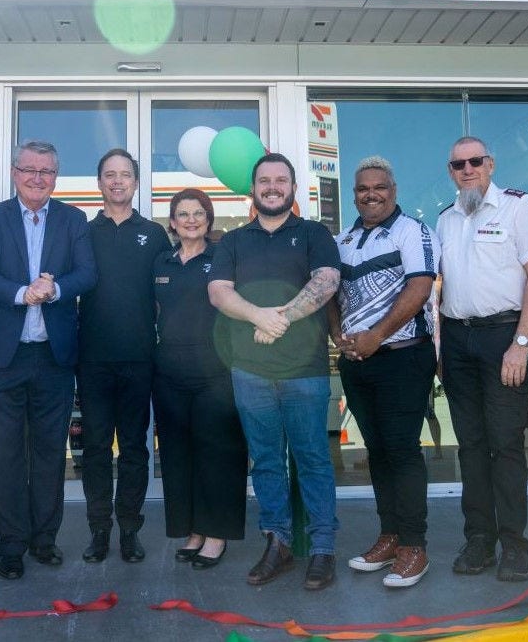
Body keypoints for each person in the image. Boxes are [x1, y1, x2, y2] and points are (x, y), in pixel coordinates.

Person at [208, 153, 341, 591]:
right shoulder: (233, 241)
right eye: (264, 180)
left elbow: (326, 282)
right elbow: (219, 293)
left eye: (280, 180)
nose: (271, 187)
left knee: (313, 460)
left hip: (305, 372)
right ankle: (278, 543)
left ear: (293, 187)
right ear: (253, 189)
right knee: (266, 462)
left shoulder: (313, 233)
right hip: (250, 372)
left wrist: (280, 318)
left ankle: (322, 548)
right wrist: (257, 316)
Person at [0, 140, 96, 580]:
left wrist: (55, 288)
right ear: (14, 172)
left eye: (46, 171)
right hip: (2, 358)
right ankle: (10, 546)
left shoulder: (73, 219)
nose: (38, 177)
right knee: (4, 456)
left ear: (56, 177)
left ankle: (44, 540)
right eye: (30, 169)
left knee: (48, 454)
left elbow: (87, 273)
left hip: (54, 358)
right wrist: (24, 293)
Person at [436, 136, 528, 583]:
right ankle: (479, 540)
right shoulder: (445, 220)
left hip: (504, 337)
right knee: (470, 447)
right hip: (459, 344)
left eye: (475, 161)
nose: (467, 169)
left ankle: (515, 546)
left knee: (505, 445)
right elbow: (440, 290)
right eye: (458, 163)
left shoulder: (517, 208)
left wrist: (521, 343)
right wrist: (442, 350)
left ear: (490, 163)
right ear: (451, 171)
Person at [329, 156, 441, 588]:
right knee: (376, 452)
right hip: (359, 362)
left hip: (403, 357)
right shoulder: (343, 240)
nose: (370, 194)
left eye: (379, 187)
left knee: (402, 450)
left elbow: (420, 288)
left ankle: (415, 546)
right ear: (354, 194)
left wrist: (376, 335)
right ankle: (390, 537)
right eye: (362, 188)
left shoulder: (414, 231)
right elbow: (330, 293)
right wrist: (340, 335)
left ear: (393, 190)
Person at [77, 149, 172, 563]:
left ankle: (130, 530)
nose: (117, 181)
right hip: (92, 359)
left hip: (139, 359)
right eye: (109, 175)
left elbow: (166, 297)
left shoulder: (152, 234)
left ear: (135, 183)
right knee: (95, 448)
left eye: (125, 175)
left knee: (134, 448)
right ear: (99, 183)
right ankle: (99, 530)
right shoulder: (81, 232)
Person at [152, 188, 247, 570]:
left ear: (209, 220)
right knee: (178, 456)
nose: (191, 220)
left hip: (215, 372)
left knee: (217, 455)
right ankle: (191, 529)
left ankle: (216, 534)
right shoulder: (160, 262)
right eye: (183, 214)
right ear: (172, 222)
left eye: (199, 213)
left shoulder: (222, 257)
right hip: (169, 373)